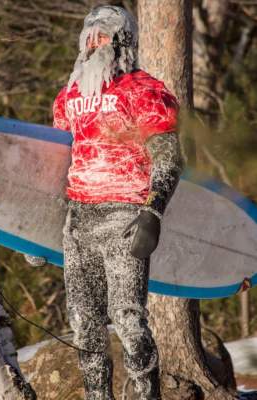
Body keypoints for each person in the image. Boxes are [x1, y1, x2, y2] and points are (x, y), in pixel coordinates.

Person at [30, 5, 184, 400]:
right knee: (84, 324)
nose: (92, 43)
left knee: (129, 321)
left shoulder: (143, 90)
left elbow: (168, 155)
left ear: (122, 41)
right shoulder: (68, 97)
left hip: (125, 216)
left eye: (102, 35)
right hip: (77, 221)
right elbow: (55, 162)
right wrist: (33, 230)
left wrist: (152, 211)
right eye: (88, 36)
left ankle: (146, 395)